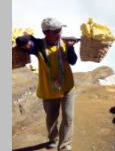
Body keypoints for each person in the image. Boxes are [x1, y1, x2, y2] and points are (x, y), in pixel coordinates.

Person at [16, 17, 78, 151]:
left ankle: (65, 145)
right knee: (51, 120)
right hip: (49, 90)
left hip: (67, 87)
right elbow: (20, 42)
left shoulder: (64, 43)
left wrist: (71, 48)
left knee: (68, 118)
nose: (60, 34)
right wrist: (27, 38)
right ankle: (53, 139)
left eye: (60, 30)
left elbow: (73, 61)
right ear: (46, 33)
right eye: (56, 31)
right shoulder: (38, 45)